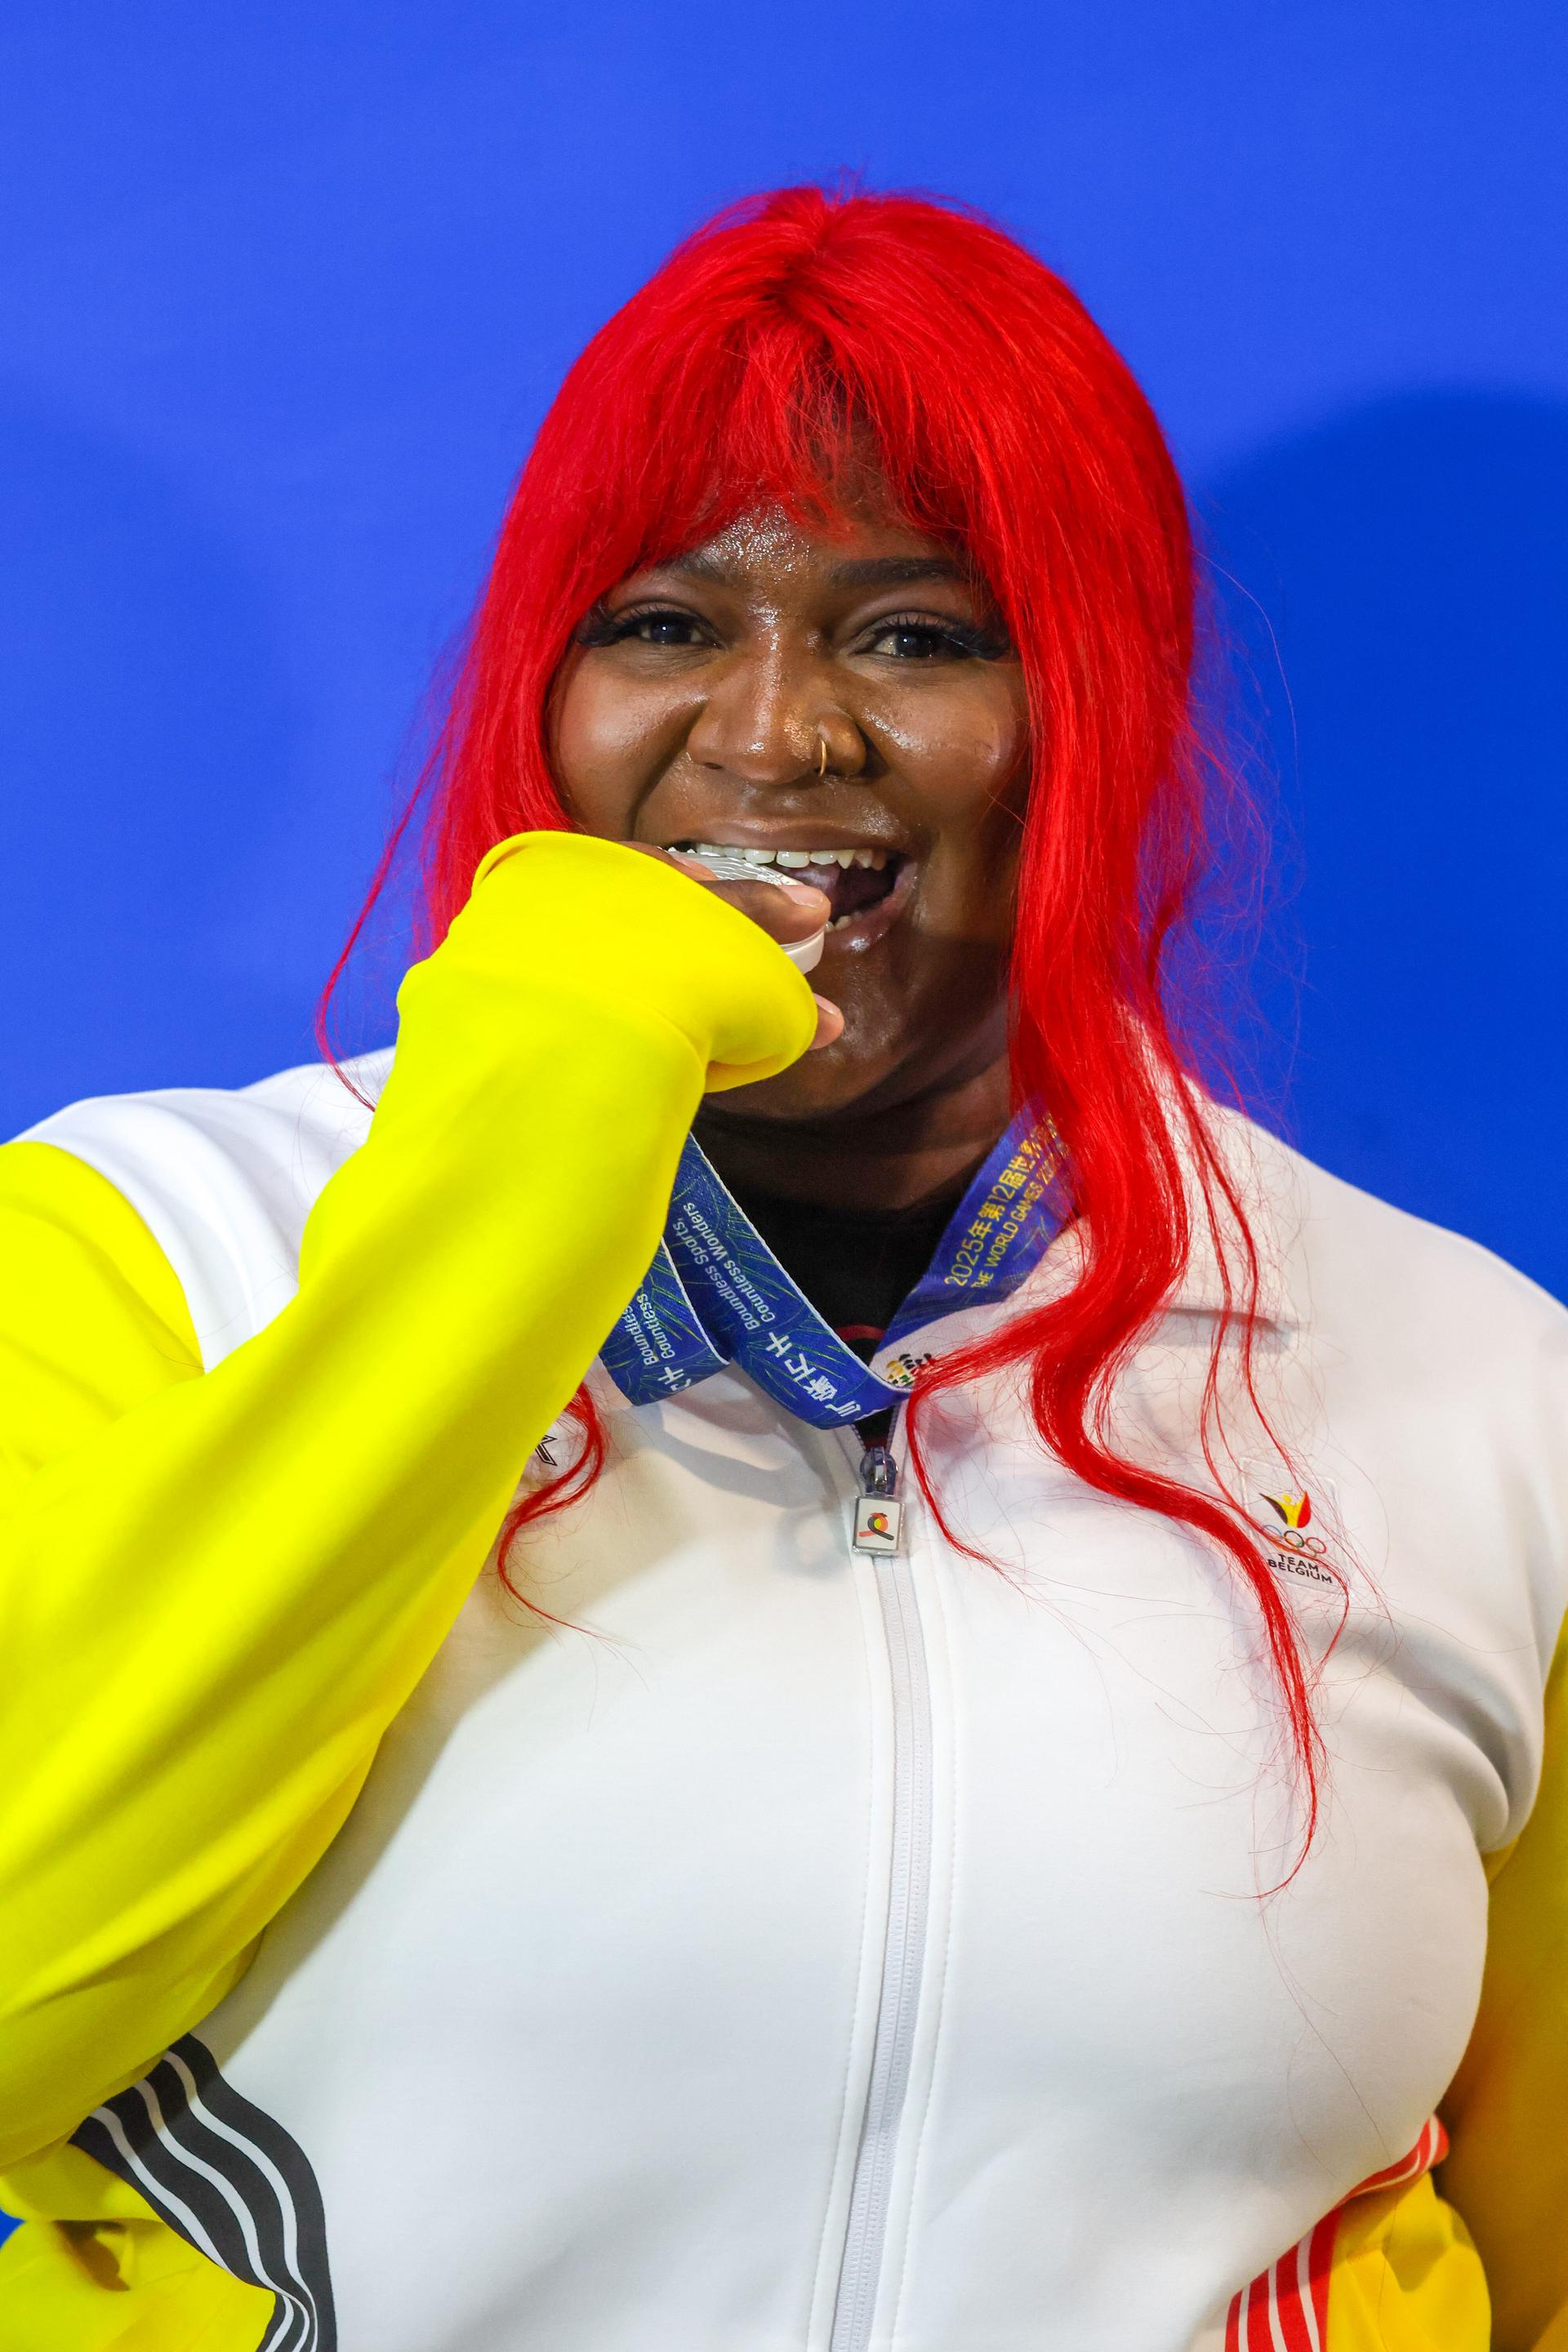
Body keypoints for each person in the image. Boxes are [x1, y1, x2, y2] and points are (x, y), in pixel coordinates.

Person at [0, 185, 1562, 2352]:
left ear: (1093, 705)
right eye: (661, 622)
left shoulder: (1476, 1383)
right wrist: (529, 1129)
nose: (770, 733)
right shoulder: (153, 1247)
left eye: (913, 635)